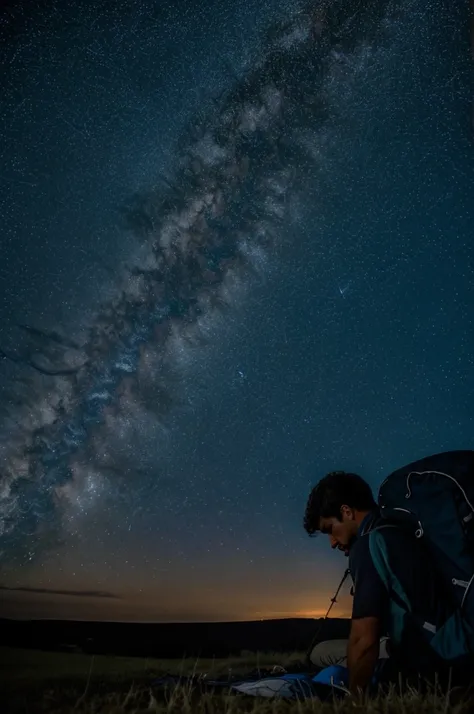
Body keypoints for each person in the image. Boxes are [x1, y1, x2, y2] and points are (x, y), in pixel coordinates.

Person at [303, 470, 471, 696]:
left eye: (330, 530)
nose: (332, 542)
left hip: (435, 664)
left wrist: (356, 701)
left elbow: (364, 641)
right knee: (323, 652)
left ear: (346, 511)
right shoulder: (401, 530)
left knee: (321, 654)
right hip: (454, 642)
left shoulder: (368, 544)